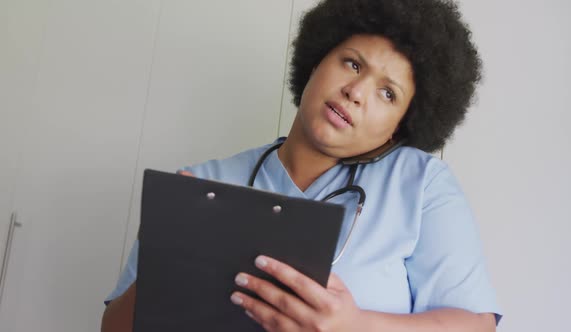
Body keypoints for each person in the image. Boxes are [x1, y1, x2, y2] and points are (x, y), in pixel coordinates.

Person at [101, 0, 502, 330]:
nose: (356, 92)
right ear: (315, 63)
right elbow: (113, 327)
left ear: (398, 129)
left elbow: (476, 325)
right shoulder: (203, 183)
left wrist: (355, 324)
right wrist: (170, 259)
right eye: (353, 64)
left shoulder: (420, 185)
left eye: (387, 93)